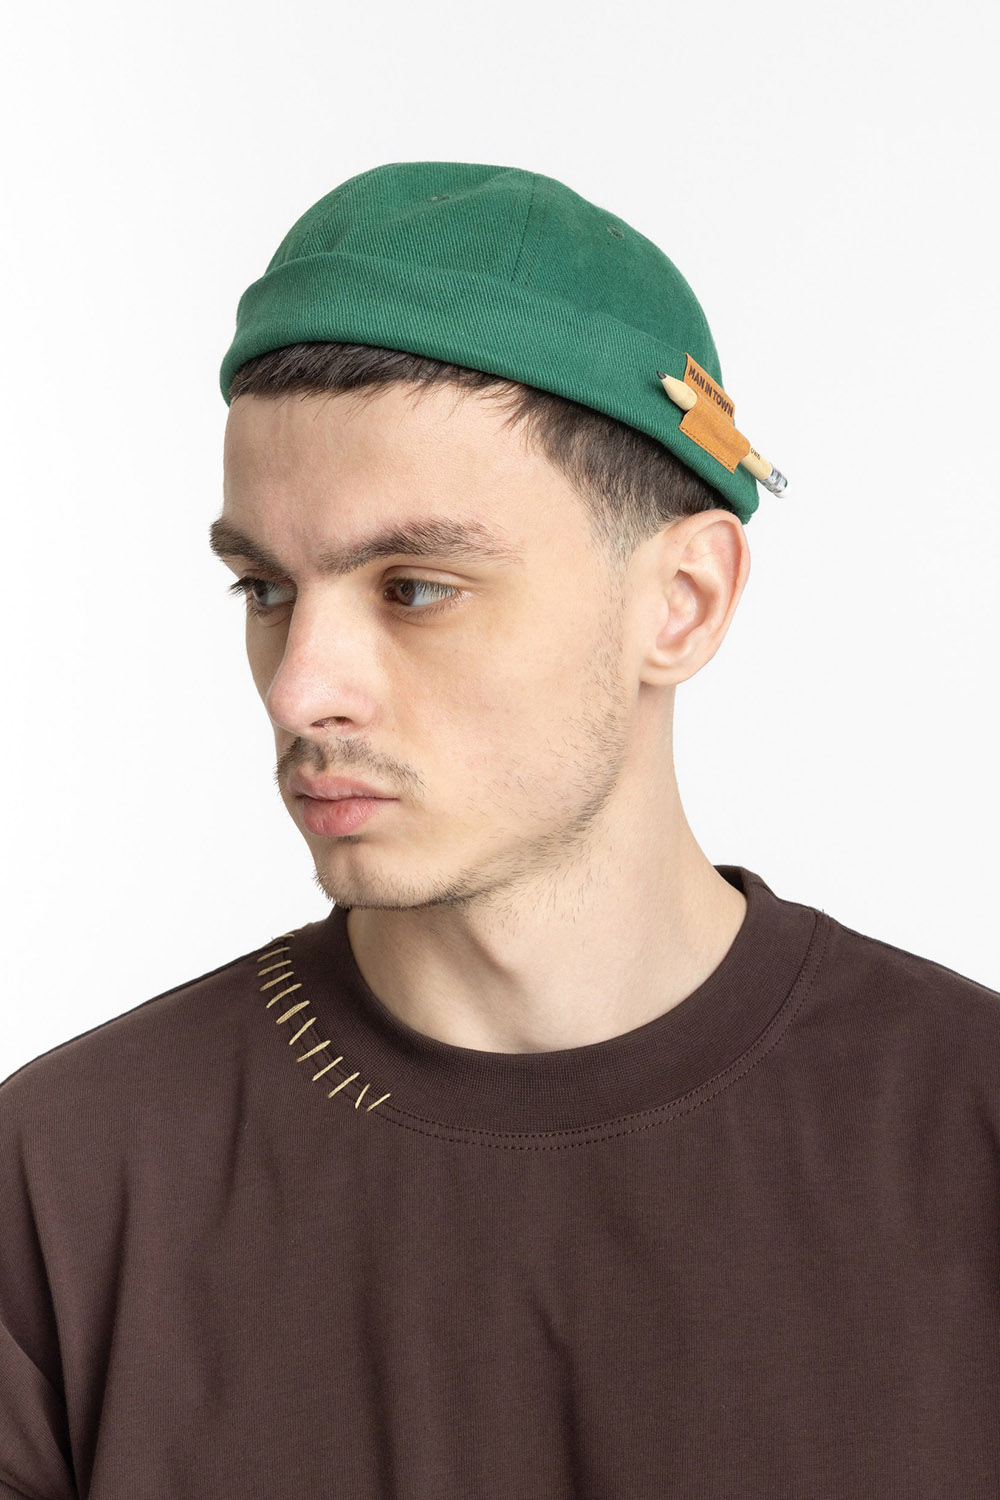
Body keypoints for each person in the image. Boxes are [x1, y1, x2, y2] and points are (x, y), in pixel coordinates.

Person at [2, 161, 998, 1499]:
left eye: (414, 587)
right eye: (264, 589)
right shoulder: (62, 1188)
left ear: (684, 603)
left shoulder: (966, 1134)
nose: (301, 688)